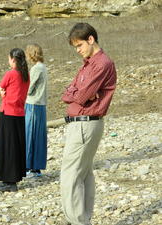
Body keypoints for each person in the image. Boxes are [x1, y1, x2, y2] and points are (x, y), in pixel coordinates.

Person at [60, 23, 117, 225]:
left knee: (71, 174)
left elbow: (81, 95)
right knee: (83, 173)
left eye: (79, 45)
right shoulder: (88, 63)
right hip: (82, 123)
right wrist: (75, 92)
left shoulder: (101, 64)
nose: (78, 50)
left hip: (86, 123)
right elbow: (69, 91)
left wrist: (76, 93)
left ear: (90, 39)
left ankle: (77, 221)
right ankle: (82, 218)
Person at [0, 48, 30, 192]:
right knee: (16, 147)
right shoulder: (26, 75)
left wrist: (1, 93)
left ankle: (9, 182)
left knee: (7, 147)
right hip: (20, 114)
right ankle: (13, 179)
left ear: (13, 59)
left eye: (9, 59)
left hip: (8, 113)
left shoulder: (11, 74)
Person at [24, 44, 48, 178]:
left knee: (30, 135)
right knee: (38, 136)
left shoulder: (36, 69)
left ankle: (29, 167)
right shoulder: (43, 67)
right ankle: (36, 168)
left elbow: (29, 87)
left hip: (33, 104)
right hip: (41, 105)